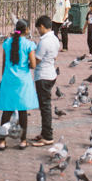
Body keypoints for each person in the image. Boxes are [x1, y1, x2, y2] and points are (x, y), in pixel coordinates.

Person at [0, 19, 39, 150]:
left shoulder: (7, 43)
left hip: (8, 79)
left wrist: (3, 78)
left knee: (7, 111)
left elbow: (4, 63)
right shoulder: (29, 44)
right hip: (23, 81)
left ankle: (2, 141)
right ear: (26, 30)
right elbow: (33, 64)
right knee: (22, 111)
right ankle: (23, 140)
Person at [31, 15, 59, 147]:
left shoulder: (44, 42)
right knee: (45, 106)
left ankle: (48, 136)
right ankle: (44, 132)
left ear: (42, 26)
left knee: (45, 107)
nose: (38, 31)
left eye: (38, 28)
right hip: (51, 73)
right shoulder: (54, 38)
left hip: (43, 76)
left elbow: (35, 62)